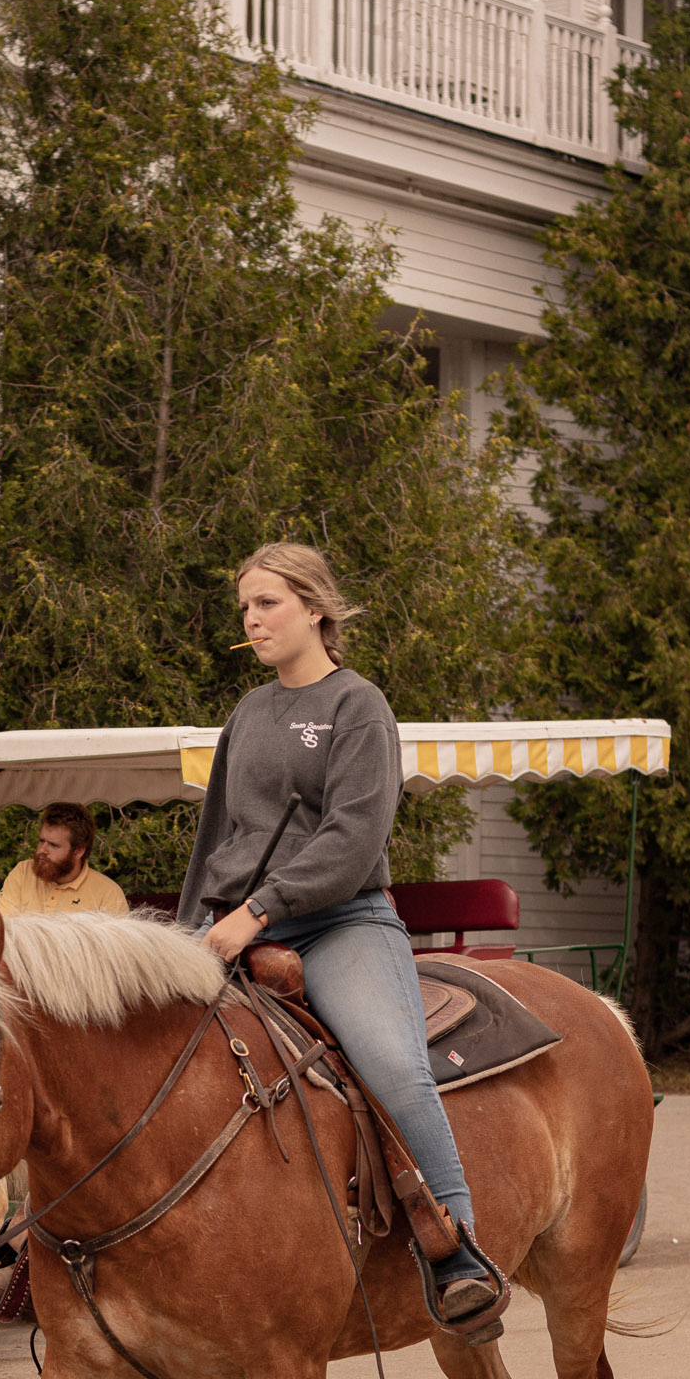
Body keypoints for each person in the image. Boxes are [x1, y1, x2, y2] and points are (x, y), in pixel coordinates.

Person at [177, 541, 501, 1316]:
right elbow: (216, 834)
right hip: (234, 925)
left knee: (390, 1063)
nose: (251, 619)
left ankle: (455, 1249)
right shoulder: (247, 714)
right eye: (245, 607)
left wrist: (259, 910)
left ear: (315, 608)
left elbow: (352, 840)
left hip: (338, 923)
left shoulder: (357, 706)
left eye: (267, 603)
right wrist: (191, 931)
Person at [0, 802, 128, 917]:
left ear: (78, 851)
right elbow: (2, 928)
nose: (42, 850)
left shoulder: (108, 895)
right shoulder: (23, 872)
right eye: (41, 841)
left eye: (53, 845)